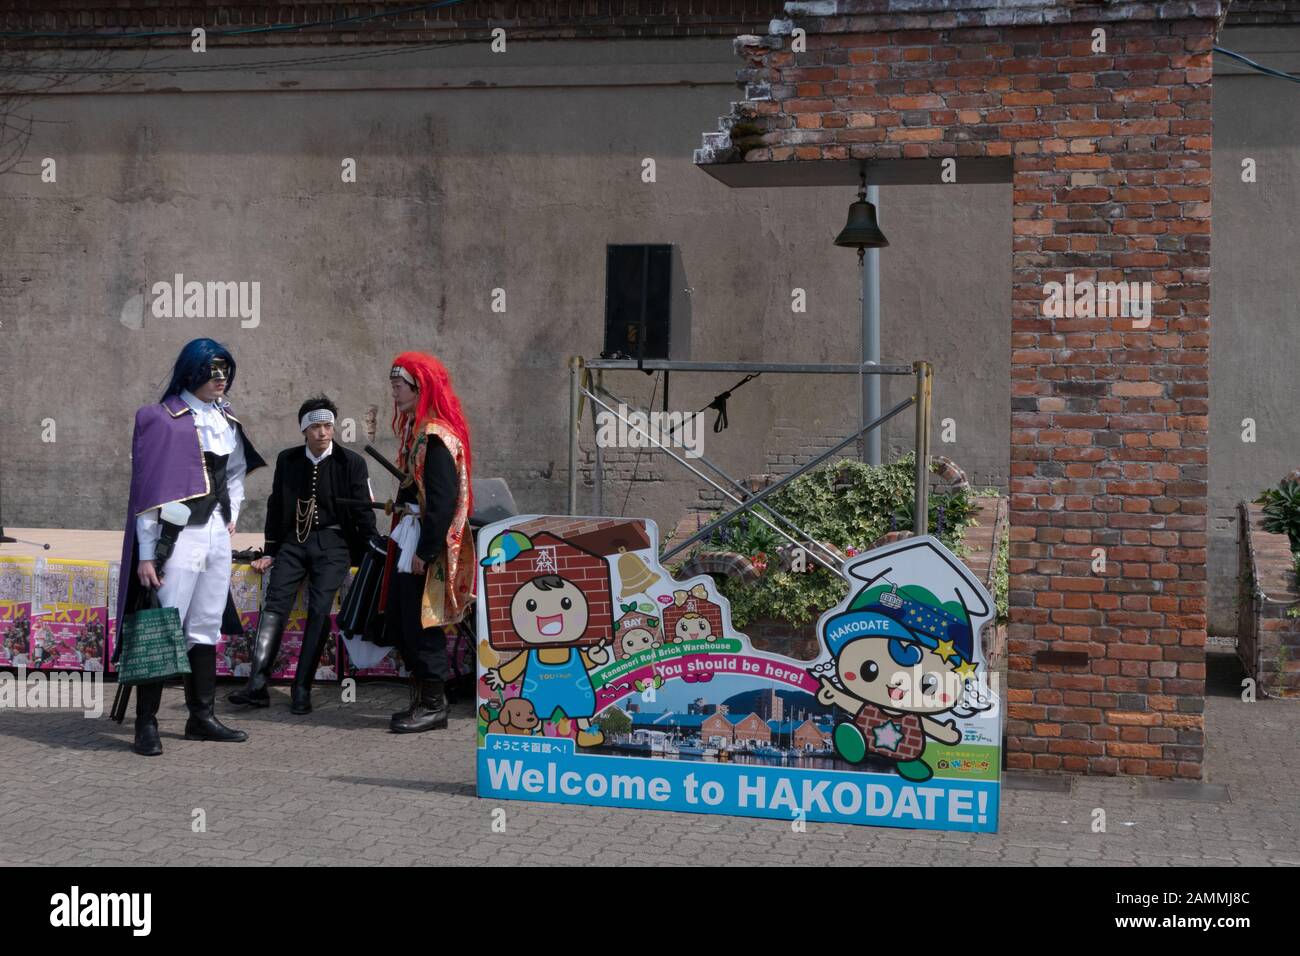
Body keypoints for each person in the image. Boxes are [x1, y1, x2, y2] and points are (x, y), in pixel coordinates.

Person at [116, 338, 266, 757]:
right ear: (192, 371)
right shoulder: (161, 419)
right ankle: (145, 723)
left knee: (205, 625)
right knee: (162, 626)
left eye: (225, 372)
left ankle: (200, 716)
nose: (220, 380)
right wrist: (147, 554)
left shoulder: (226, 417)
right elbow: (148, 495)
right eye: (212, 371)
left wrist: (232, 510)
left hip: (216, 533)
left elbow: (235, 471)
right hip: (175, 539)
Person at [228, 396, 378, 714]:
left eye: (327, 426)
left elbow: (363, 512)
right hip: (293, 543)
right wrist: (270, 551)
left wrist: (369, 552)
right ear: (304, 430)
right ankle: (257, 685)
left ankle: (301, 687)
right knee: (275, 602)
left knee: (321, 607)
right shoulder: (288, 460)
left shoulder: (351, 463)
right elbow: (276, 505)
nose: (323, 432)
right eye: (315, 427)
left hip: (334, 544)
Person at [380, 353, 476, 733]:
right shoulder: (419, 432)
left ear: (420, 388)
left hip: (427, 545)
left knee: (423, 624)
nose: (393, 392)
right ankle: (423, 701)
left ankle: (434, 707)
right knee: (406, 621)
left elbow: (441, 501)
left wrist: (425, 551)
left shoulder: (436, 438)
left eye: (399, 384)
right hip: (414, 539)